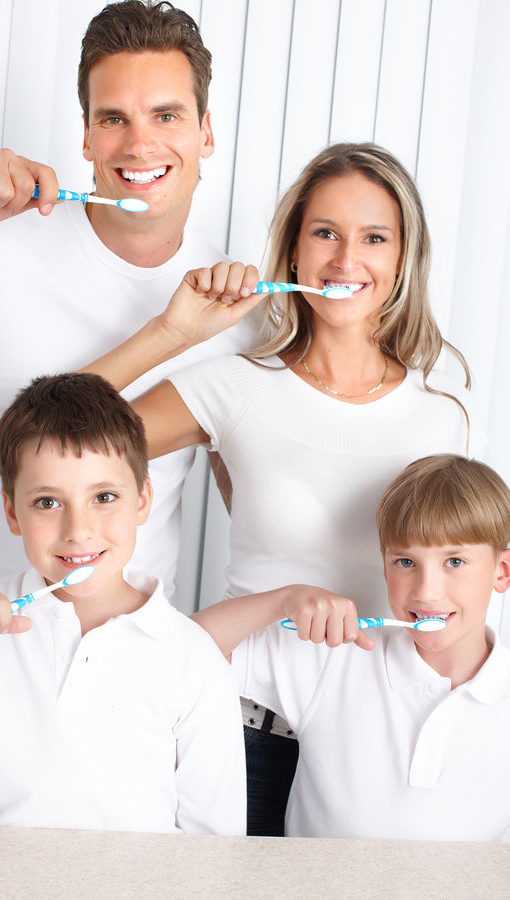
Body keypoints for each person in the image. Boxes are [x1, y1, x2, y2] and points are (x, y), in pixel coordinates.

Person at [73, 141, 482, 834]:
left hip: (381, 738)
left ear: (402, 259)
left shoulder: (448, 411)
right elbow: (49, 446)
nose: (347, 259)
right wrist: (171, 331)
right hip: (244, 735)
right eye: (325, 233)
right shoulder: (234, 387)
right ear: (293, 252)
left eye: (374, 238)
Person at [0, 1, 258, 610]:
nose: (140, 144)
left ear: (205, 132)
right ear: (87, 136)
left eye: (166, 115)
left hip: (135, 655)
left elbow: (260, 512)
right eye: (114, 118)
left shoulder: (239, 312)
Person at [0, 373, 246, 833]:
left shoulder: (194, 657)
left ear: (143, 500)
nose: (78, 531)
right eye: (47, 503)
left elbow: (215, 844)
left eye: (103, 497)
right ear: (12, 512)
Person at [191, 454, 510, 841]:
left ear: (502, 572)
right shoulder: (336, 658)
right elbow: (186, 649)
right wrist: (283, 600)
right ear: (385, 567)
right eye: (406, 562)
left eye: (455, 561)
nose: (427, 591)